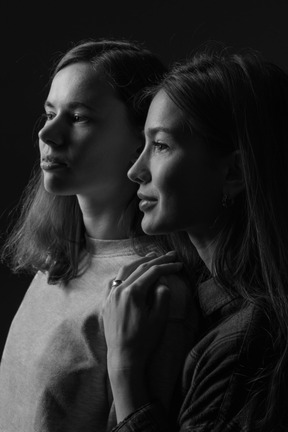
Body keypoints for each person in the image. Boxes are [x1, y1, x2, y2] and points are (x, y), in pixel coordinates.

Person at [0, 39, 199, 432]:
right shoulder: (56, 262)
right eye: (49, 113)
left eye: (78, 118)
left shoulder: (152, 292)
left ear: (138, 142)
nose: (48, 133)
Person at [102, 43, 288, 431]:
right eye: (143, 146)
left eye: (162, 146)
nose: (135, 171)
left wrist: (124, 367)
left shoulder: (247, 341)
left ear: (234, 173)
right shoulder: (190, 293)